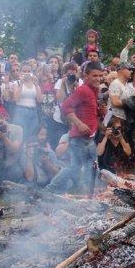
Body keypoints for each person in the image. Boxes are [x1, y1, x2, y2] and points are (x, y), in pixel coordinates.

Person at [49, 62, 103, 193]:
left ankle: (92, 193)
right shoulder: (83, 90)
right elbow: (65, 106)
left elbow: (88, 111)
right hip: (79, 139)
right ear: (86, 76)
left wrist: (100, 111)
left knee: (93, 167)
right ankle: (49, 189)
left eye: (100, 76)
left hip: (89, 139)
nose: (98, 78)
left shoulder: (93, 90)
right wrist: (79, 123)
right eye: (94, 75)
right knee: (75, 168)